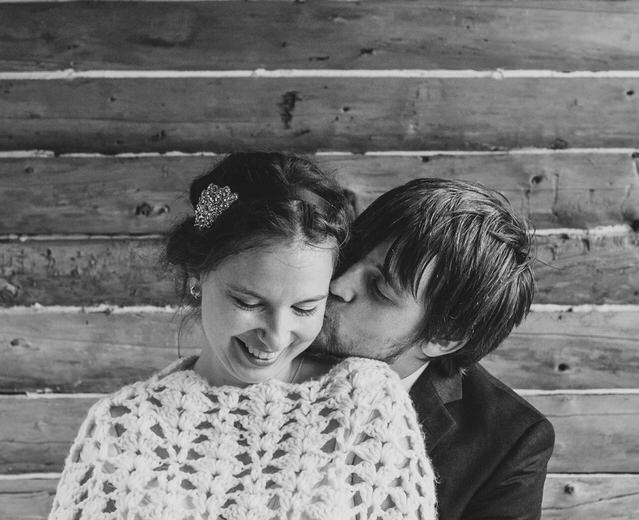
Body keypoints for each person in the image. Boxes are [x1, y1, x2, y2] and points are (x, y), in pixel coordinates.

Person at [49, 153, 437, 520]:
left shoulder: (364, 404)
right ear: (197, 278)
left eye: (305, 308)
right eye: (249, 302)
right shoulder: (121, 427)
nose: (275, 336)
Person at [315, 177, 555, 520]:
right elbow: (212, 208)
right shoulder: (265, 343)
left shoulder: (510, 443)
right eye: (347, 257)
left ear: (444, 336)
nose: (336, 284)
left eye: (379, 288)